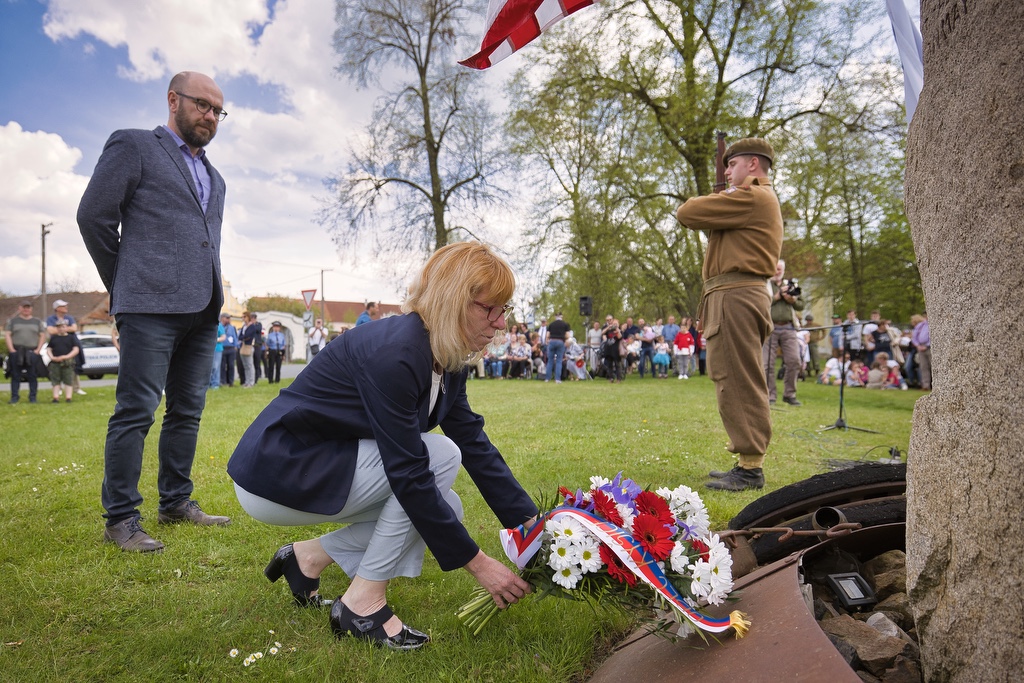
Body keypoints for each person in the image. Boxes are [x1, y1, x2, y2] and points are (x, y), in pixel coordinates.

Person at [227, 242, 537, 651]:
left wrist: (533, 527)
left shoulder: (444, 355)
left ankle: (307, 559)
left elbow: (474, 441)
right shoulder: (397, 350)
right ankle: (362, 605)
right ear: (452, 300)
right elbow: (408, 471)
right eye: (490, 308)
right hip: (278, 472)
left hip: (317, 465)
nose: (500, 323)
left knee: (450, 509)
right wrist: (479, 564)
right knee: (439, 458)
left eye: (505, 310)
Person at [77, 71, 232, 552]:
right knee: (136, 411)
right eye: (202, 105)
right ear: (173, 100)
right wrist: (124, 282)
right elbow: (93, 216)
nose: (209, 115)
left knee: (187, 411)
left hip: (203, 309)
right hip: (147, 306)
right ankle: (121, 519)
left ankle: (175, 502)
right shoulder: (134, 145)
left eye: (217, 110)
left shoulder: (216, 176)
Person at [675, 138, 782, 492]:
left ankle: (751, 467)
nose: (726, 171)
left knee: (738, 379)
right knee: (731, 377)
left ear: (752, 164)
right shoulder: (747, 200)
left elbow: (687, 212)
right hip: (730, 293)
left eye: (731, 164)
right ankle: (746, 462)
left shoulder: (751, 197)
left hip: (737, 294)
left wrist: (721, 195)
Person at [763, 259, 805, 406]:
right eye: (775, 268)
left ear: (783, 270)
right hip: (770, 327)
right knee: (767, 363)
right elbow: (761, 304)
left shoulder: (791, 285)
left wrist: (791, 300)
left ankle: (789, 394)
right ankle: (770, 395)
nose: (777, 271)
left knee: (794, 361)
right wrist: (777, 297)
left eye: (779, 269)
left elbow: (801, 305)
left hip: (789, 328)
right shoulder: (765, 284)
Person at [5, 302, 46, 404]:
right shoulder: (13, 321)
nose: (26, 310)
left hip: (32, 351)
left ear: (31, 309)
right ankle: (14, 397)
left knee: (32, 375)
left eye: (28, 308)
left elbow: (42, 335)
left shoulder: (37, 322)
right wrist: (11, 350)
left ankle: (33, 398)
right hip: (17, 351)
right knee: (15, 375)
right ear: (20, 308)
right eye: (24, 308)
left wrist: (38, 350)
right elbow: (7, 335)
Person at [46, 299, 86, 396]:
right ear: (57, 308)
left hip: (70, 342)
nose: (66, 308)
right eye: (63, 306)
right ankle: (58, 388)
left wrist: (60, 328)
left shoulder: (69, 317)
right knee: (57, 368)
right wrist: (65, 329)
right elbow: (50, 331)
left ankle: (76, 388)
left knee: (73, 365)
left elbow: (74, 328)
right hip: (57, 344)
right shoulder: (51, 319)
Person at [47, 321, 80, 402]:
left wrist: (66, 357)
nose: (61, 329)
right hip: (55, 362)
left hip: (67, 363)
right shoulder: (53, 338)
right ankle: (55, 397)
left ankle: (68, 398)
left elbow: (76, 349)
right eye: (59, 327)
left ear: (67, 328)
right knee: (55, 380)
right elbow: (49, 349)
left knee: (68, 380)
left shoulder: (71, 338)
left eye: (63, 327)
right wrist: (52, 357)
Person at [545, 312, 570, 382]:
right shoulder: (565, 324)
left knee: (550, 361)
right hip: (560, 342)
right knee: (559, 361)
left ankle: (547, 378)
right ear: (561, 317)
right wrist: (562, 336)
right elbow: (568, 336)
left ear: (555, 317)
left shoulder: (551, 324)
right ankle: (557, 379)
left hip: (552, 341)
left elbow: (547, 335)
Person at [238, 312, 258, 388]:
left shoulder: (252, 326)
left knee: (250, 365)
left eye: (244, 316)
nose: (243, 318)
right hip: (243, 346)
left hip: (248, 347)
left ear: (248, 317)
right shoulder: (244, 326)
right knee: (245, 365)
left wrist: (244, 337)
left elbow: (248, 335)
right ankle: (247, 381)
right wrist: (244, 337)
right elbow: (240, 336)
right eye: (242, 317)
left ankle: (251, 382)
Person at [912, 313, 931, 390]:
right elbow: (914, 336)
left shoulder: (932, 324)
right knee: (923, 366)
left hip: (929, 347)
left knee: (932, 365)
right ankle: (926, 385)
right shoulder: (921, 325)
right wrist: (918, 345)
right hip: (920, 347)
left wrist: (927, 345)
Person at [220, 313, 238, 387]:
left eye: (229, 318)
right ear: (222, 318)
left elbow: (234, 337)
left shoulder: (231, 327)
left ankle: (231, 382)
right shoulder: (219, 326)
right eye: (227, 318)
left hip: (230, 348)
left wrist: (235, 346)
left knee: (231, 365)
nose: (228, 319)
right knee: (222, 366)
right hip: (223, 348)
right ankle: (223, 381)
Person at [210, 317, 226, 390]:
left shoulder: (219, 325)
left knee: (215, 367)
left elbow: (223, 337)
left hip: (217, 349)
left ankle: (215, 383)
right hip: (209, 349)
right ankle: (210, 383)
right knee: (210, 367)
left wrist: (215, 339)